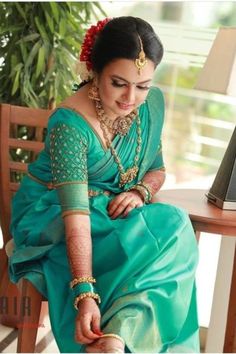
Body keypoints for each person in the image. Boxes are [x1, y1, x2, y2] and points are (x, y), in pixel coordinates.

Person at [9, 16, 200, 353]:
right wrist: (85, 295)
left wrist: (139, 192)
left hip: (112, 207)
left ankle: (118, 337)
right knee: (146, 248)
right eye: (118, 83)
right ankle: (118, 338)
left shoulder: (151, 104)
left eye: (142, 85)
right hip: (56, 213)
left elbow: (156, 169)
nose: (131, 97)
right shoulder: (70, 123)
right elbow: (77, 219)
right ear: (94, 72)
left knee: (174, 223)